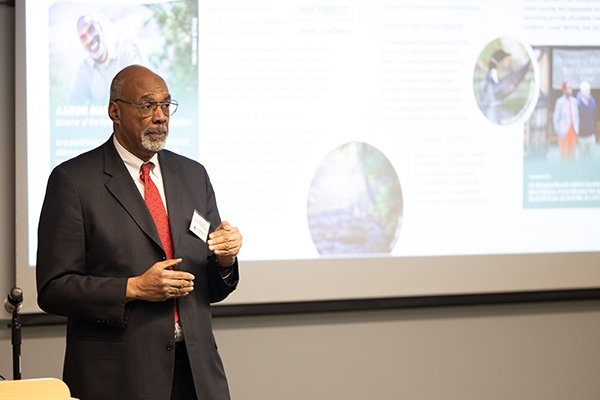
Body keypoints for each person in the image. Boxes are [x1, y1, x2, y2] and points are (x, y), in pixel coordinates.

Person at [37, 65, 242, 400]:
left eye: (166, 105)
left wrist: (224, 259)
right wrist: (133, 288)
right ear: (114, 111)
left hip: (196, 373)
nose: (160, 116)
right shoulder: (74, 181)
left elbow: (213, 289)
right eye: (147, 106)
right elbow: (53, 288)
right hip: (119, 378)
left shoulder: (193, 175)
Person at [70, 15, 145, 105]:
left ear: (100, 27)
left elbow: (141, 88)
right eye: (83, 37)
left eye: (91, 30)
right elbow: (74, 104)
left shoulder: (124, 47)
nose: (89, 39)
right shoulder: (85, 69)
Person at [552, 80, 579, 160]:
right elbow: (555, 119)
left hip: (573, 131)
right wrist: (559, 131)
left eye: (571, 88)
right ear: (564, 90)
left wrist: (577, 128)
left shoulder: (574, 101)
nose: (570, 90)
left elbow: (577, 117)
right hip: (564, 132)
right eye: (568, 88)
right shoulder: (559, 102)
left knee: (572, 156)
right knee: (564, 156)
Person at [576, 80, 597, 159]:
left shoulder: (593, 102)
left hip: (591, 136)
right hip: (581, 137)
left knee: (592, 158)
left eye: (589, 90)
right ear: (582, 91)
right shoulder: (577, 104)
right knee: (582, 159)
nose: (589, 92)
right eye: (587, 90)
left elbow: (594, 116)